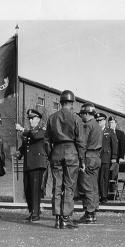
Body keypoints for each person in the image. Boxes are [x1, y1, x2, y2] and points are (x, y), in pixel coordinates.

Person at [46, 90, 85, 229]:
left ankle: (57, 218)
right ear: (72, 103)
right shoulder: (76, 118)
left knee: (57, 185)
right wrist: (82, 160)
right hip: (71, 152)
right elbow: (80, 141)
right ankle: (66, 218)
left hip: (56, 152)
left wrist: (50, 155)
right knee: (69, 186)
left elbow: (46, 141)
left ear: (61, 102)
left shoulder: (51, 117)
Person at [15, 109, 49, 222]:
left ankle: (36, 213)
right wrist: (19, 153)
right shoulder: (30, 132)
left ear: (38, 119)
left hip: (37, 163)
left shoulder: (42, 129)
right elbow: (25, 146)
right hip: (28, 164)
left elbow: (35, 136)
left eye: (32, 118)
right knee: (27, 189)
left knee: (35, 189)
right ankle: (32, 211)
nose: (30, 120)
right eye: (29, 118)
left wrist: (22, 130)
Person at [77, 103, 103, 224]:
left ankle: (89, 213)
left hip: (88, 157)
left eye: (82, 114)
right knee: (93, 186)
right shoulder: (97, 125)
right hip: (96, 157)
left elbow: (82, 144)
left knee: (86, 186)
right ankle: (93, 212)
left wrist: (81, 161)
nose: (81, 116)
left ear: (87, 114)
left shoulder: (87, 125)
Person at [95, 113, 118, 204]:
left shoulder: (110, 131)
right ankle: (97, 195)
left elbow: (114, 145)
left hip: (106, 158)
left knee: (104, 178)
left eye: (100, 120)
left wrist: (114, 157)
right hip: (96, 158)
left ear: (104, 121)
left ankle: (104, 196)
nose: (99, 122)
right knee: (97, 178)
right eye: (97, 120)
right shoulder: (95, 131)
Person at [108, 116, 125, 199]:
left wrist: (121, 157)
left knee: (114, 176)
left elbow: (123, 146)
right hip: (107, 158)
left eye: (112, 122)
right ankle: (107, 192)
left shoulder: (120, 133)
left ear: (116, 124)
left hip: (117, 159)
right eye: (110, 122)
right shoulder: (106, 132)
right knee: (107, 176)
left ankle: (113, 193)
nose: (111, 124)